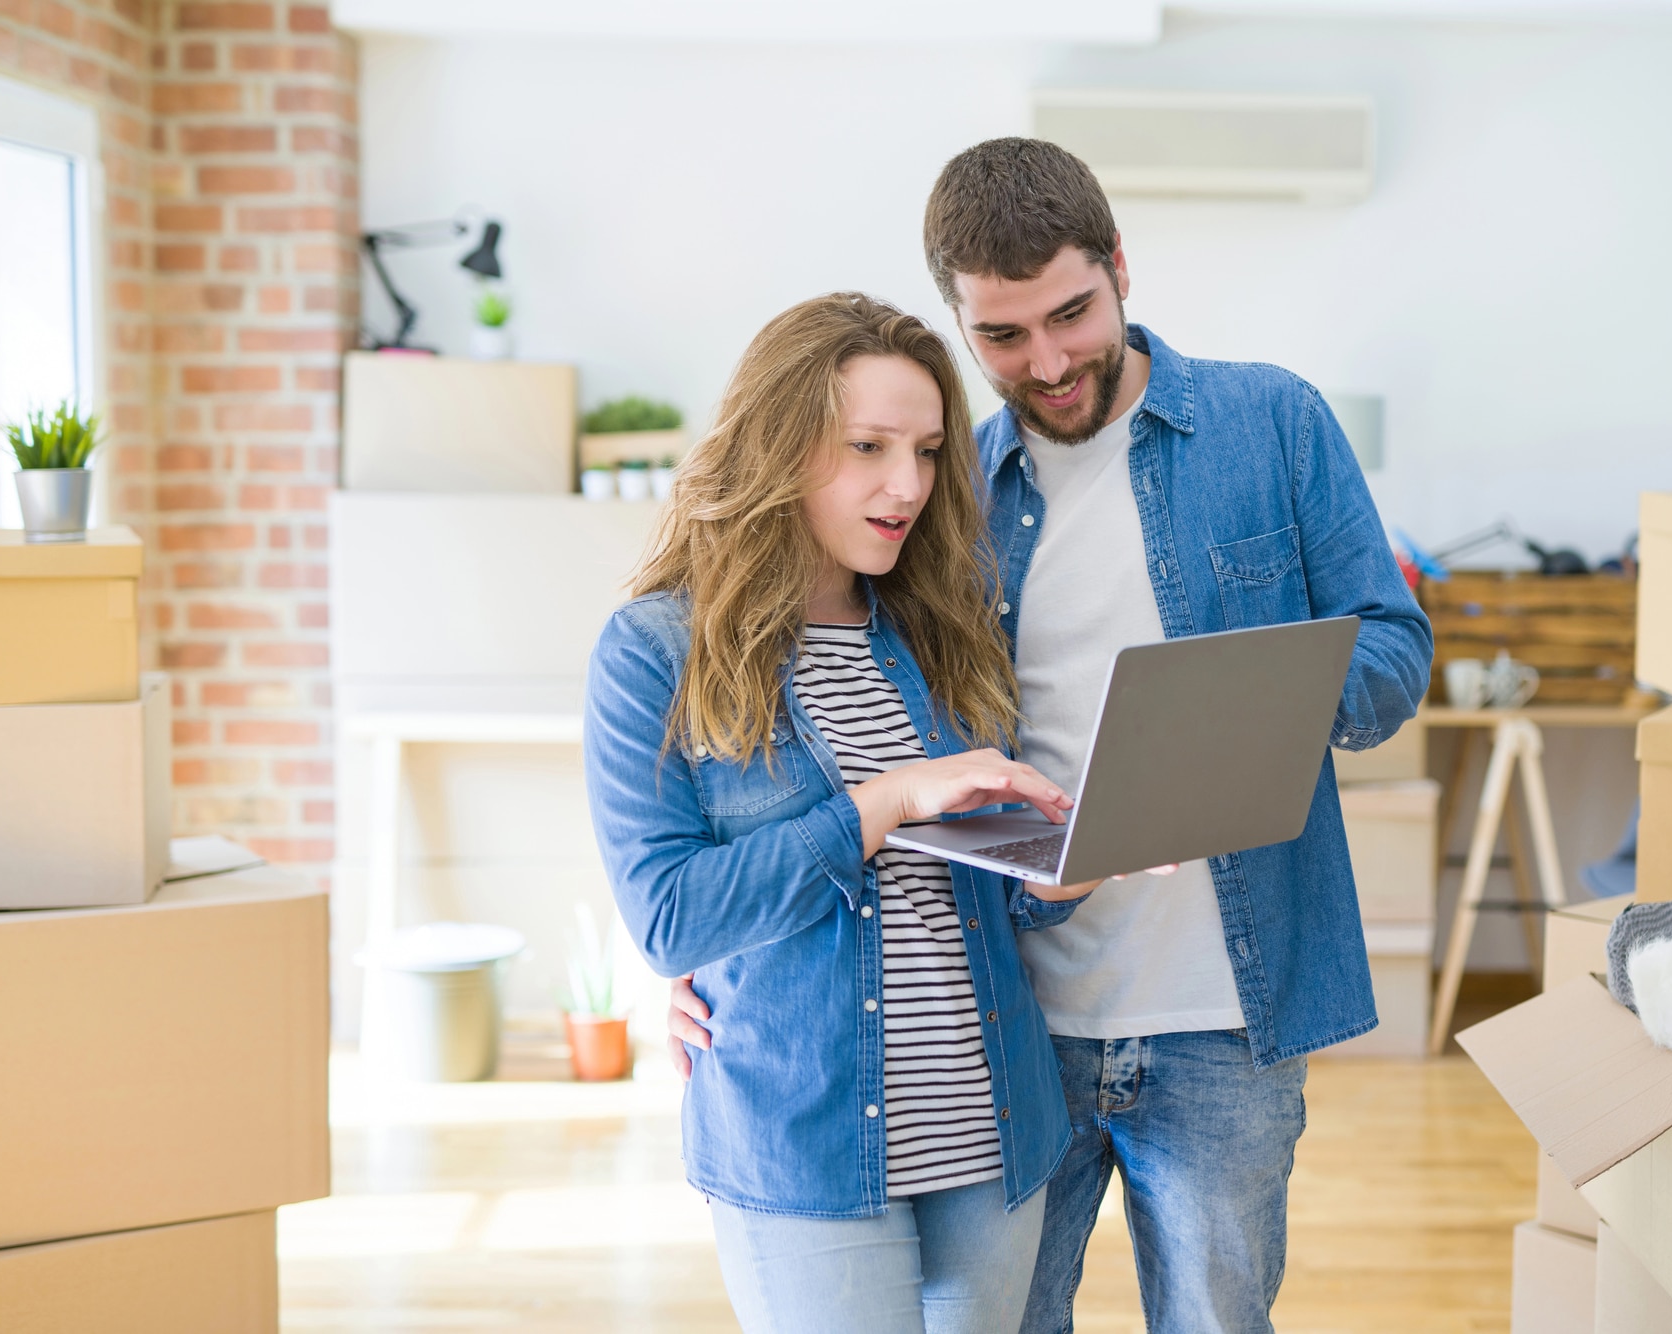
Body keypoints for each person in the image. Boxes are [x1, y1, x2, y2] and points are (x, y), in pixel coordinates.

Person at [673, 141, 1434, 1333]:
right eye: (1003, 336)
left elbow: (1393, 646)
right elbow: (808, 730)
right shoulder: (946, 490)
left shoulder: (1271, 422)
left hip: (1224, 1013)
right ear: (960, 327)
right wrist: (697, 953)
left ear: (1120, 268)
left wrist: (1266, 705)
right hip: (1012, 1018)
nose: (1048, 359)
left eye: (1070, 313)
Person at [584, 292, 1104, 1334]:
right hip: (807, 1145)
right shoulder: (654, 651)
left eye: (923, 449)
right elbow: (671, 916)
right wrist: (881, 801)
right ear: (778, 445)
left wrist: (1060, 873)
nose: (904, 485)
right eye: (865, 446)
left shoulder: (943, 634)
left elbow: (981, 898)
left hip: (990, 1127)